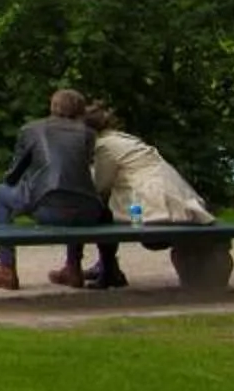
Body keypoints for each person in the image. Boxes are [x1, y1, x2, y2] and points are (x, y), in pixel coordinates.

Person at [67, 102, 217, 289]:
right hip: (177, 199)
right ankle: (105, 266)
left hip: (152, 205)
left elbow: (100, 186)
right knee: (105, 208)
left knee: (99, 210)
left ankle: (105, 268)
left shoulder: (104, 147)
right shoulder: (123, 139)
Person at [0, 87, 109, 291]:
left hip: (47, 205)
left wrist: (25, 180)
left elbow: (12, 177)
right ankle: (73, 267)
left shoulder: (31, 129)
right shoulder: (89, 134)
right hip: (87, 209)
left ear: (53, 107)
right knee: (76, 193)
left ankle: (6, 268)